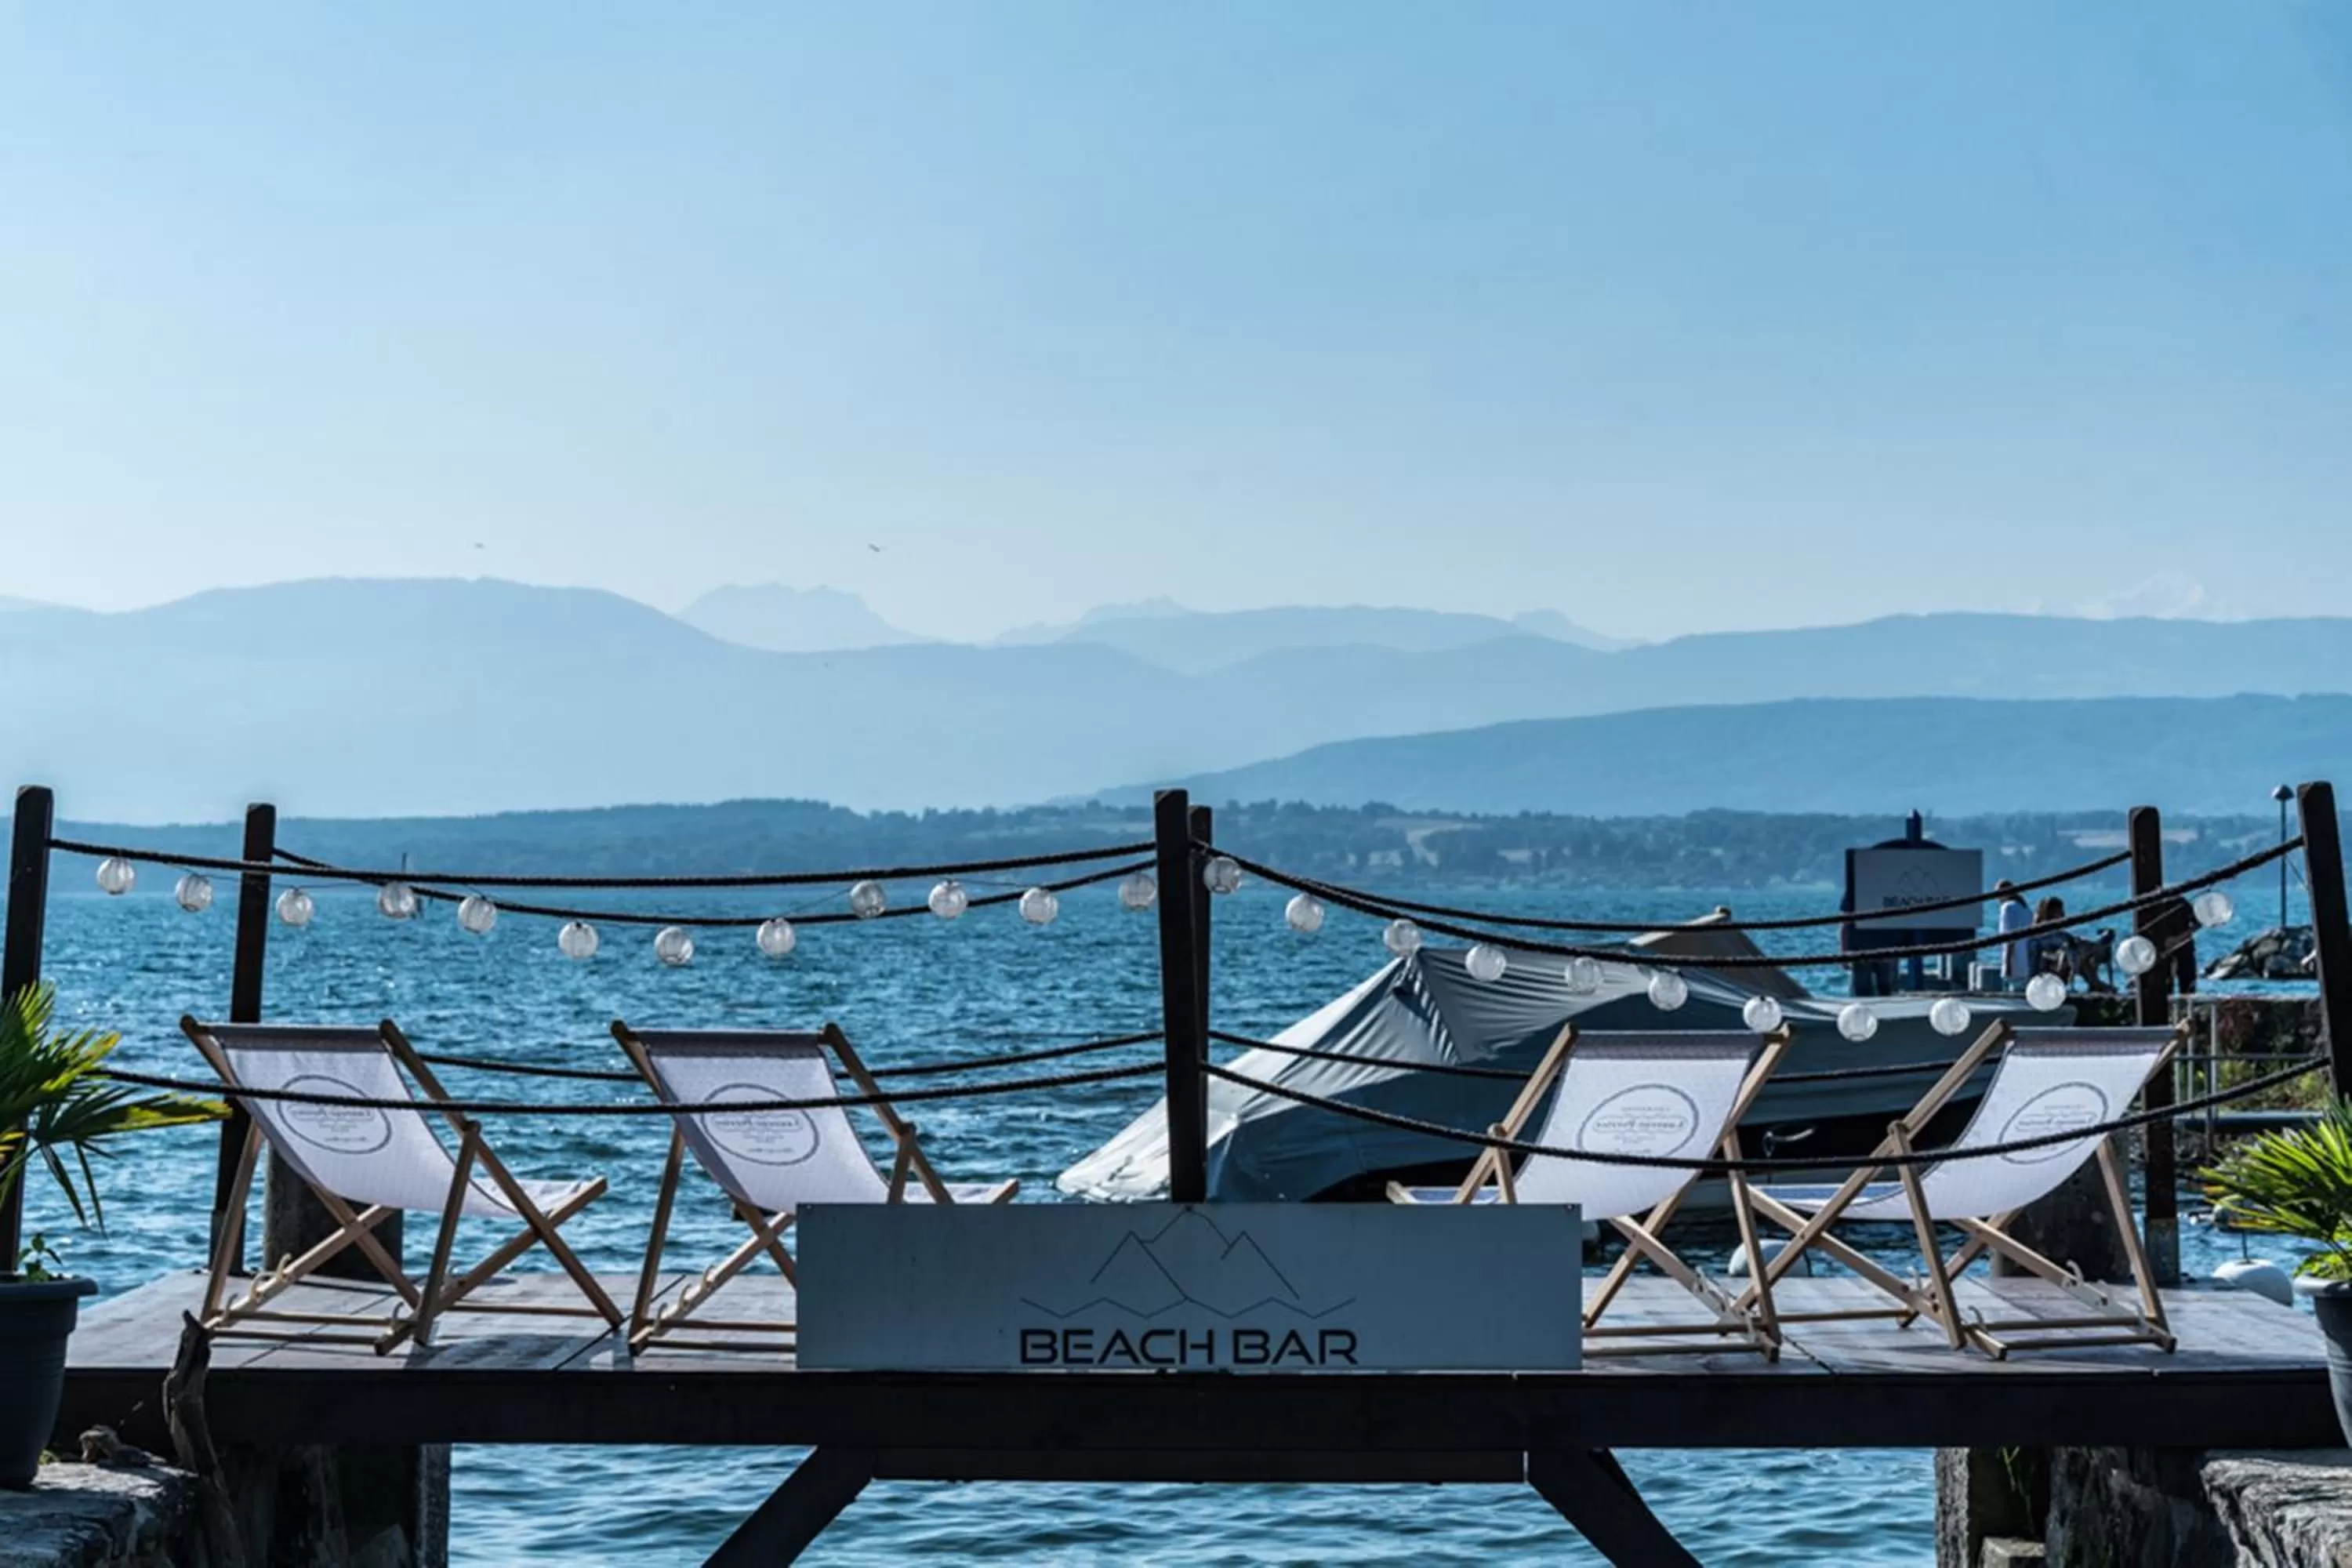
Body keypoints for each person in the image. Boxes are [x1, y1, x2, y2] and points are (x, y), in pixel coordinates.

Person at [2024, 895, 2072, 984]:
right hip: (2039, 979)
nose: (2063, 914)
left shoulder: (2055, 933)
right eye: (2060, 911)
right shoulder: (2040, 935)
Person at [1995, 880, 2033, 991]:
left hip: (2014, 963)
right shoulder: (2026, 909)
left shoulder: (2007, 908)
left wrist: (2007, 965)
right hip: (2027, 963)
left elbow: (2010, 937)